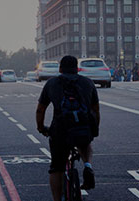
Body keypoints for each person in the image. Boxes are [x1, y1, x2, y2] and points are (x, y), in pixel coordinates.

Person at [36, 55, 100, 199]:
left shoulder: (52, 84)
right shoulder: (88, 83)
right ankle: (88, 166)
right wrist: (94, 130)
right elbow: (95, 110)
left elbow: (40, 109)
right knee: (85, 144)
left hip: (60, 131)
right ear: (77, 68)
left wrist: (41, 128)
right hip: (83, 128)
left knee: (56, 168)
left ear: (60, 69)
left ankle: (58, 199)